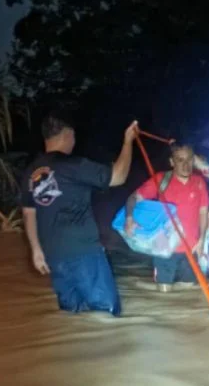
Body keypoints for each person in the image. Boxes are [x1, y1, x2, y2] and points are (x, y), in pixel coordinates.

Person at [21, 112, 139, 315]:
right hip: (84, 254)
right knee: (105, 315)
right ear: (68, 135)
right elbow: (118, 177)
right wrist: (128, 141)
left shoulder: (31, 172)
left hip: (53, 257)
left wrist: (36, 250)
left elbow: (28, 212)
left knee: (73, 317)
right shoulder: (73, 165)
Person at [126, 143, 209, 292]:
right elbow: (133, 198)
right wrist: (129, 218)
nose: (186, 165)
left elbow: (203, 212)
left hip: (191, 248)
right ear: (172, 162)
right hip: (163, 247)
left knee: (188, 290)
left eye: (189, 159)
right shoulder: (161, 180)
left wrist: (202, 238)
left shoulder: (199, 182)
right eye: (180, 160)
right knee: (164, 292)